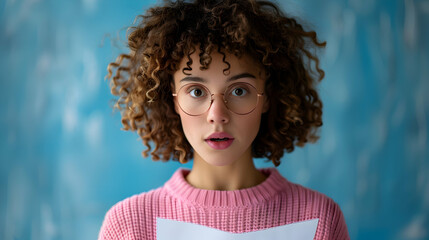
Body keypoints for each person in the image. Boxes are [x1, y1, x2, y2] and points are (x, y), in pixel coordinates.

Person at [98, 0, 350, 239]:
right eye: (196, 91)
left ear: (268, 98)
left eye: (239, 90)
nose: (217, 115)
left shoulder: (320, 219)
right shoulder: (128, 225)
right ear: (172, 100)